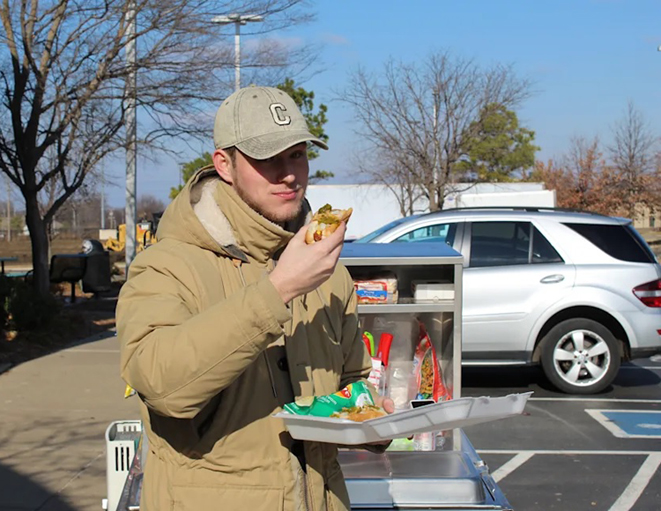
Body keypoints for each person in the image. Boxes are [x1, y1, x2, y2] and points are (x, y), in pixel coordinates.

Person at [116, 85, 393, 511]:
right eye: (268, 158)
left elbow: (352, 384)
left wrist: (374, 420)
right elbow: (160, 385)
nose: (288, 174)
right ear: (224, 165)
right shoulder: (167, 265)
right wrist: (278, 289)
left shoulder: (326, 265)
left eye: (297, 154)